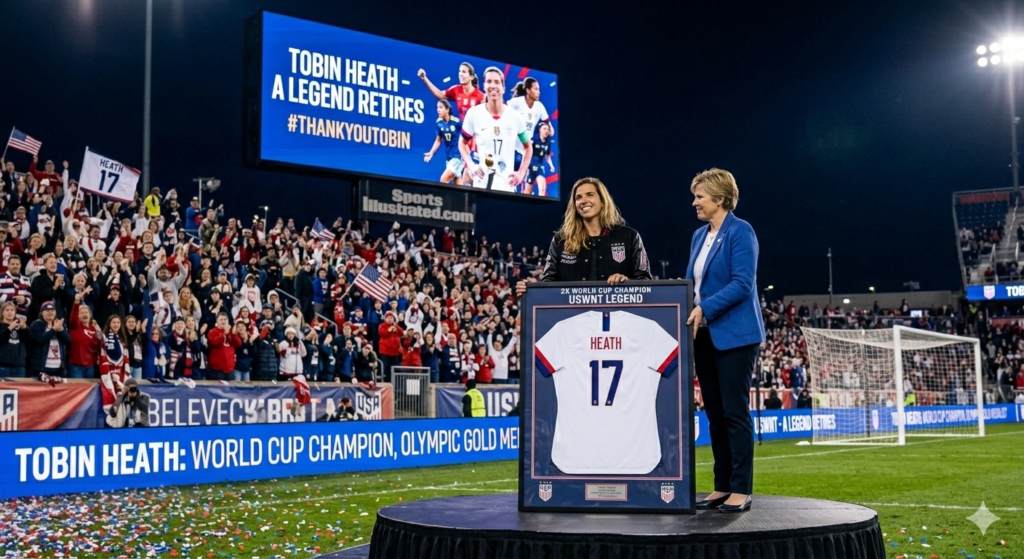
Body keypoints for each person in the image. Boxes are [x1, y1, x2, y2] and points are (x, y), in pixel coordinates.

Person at [685, 168, 764, 513]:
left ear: (719, 198)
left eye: (700, 196)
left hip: (736, 335)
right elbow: (693, 284)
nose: (695, 202)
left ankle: (741, 488)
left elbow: (742, 283)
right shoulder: (698, 236)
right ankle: (721, 485)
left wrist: (704, 308)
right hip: (703, 335)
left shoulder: (741, 231)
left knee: (734, 412)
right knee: (715, 414)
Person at [516, 178, 652, 296]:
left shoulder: (629, 236)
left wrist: (626, 283)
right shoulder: (561, 240)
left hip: (618, 316)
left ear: (603, 201)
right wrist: (531, 290)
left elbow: (645, 280)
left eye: (590, 195)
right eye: (578, 197)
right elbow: (549, 282)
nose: (583, 201)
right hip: (574, 318)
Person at [458, 66, 532, 192]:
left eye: (497, 82)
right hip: (482, 186)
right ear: (484, 86)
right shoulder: (474, 114)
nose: (493, 85)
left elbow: (528, 147)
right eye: (489, 81)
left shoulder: (515, 117)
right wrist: (471, 165)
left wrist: (521, 172)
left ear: (503, 88)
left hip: (506, 187)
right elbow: (462, 143)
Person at [417, 62, 483, 120]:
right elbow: (440, 95)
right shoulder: (456, 89)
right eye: (459, 71)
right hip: (463, 132)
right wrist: (424, 79)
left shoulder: (481, 96)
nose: (460, 74)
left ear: (471, 77)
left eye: (464, 72)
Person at [423, 99, 465, 185]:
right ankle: (462, 198)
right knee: (457, 183)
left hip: (458, 157)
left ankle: (443, 198)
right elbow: (438, 140)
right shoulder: (439, 123)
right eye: (437, 107)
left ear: (447, 109)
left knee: (443, 180)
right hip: (449, 157)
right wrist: (431, 153)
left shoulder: (457, 122)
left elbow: (469, 133)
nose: (438, 110)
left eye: (441, 107)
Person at [0, 302, 27, 377]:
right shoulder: (1, 326)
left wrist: (25, 328)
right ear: (2, 312)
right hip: (3, 366)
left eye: (12, 310)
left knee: (20, 389)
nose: (10, 312)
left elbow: (30, 340)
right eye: (7, 310)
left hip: (19, 366)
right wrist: (9, 328)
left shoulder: (20, 326)